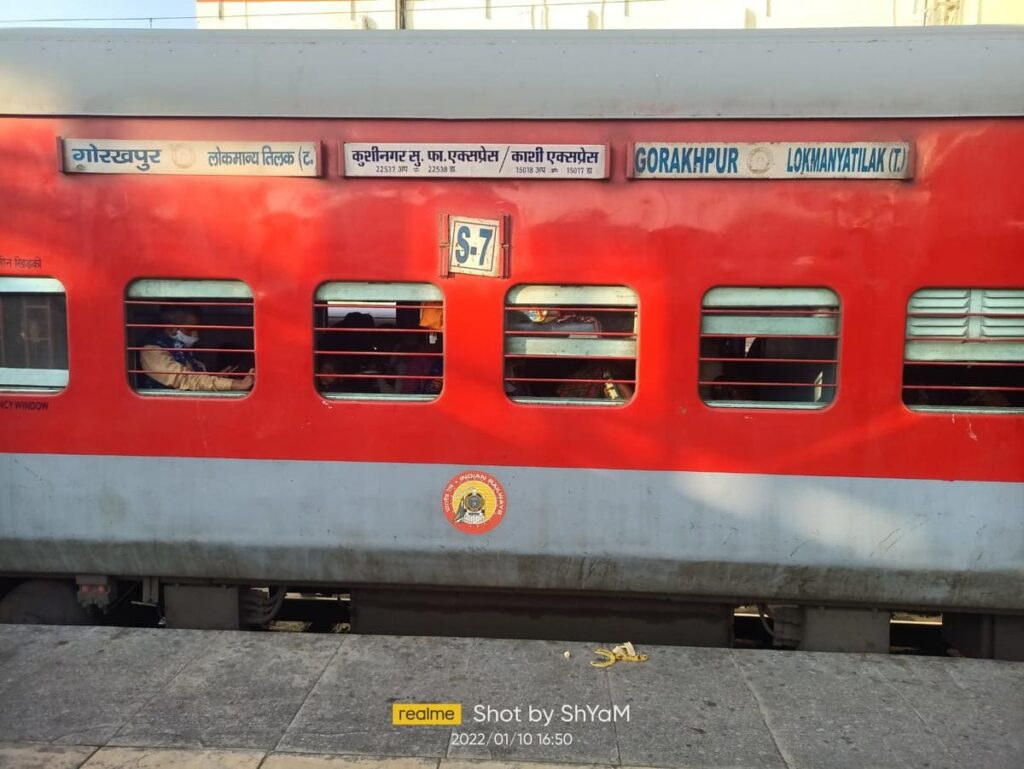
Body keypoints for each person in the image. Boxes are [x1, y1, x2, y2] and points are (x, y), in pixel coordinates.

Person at [140, 308, 253, 392]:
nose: (196, 335)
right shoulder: (152, 351)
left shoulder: (185, 349)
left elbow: (196, 377)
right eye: (190, 330)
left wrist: (218, 378)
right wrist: (235, 384)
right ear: (172, 328)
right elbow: (186, 379)